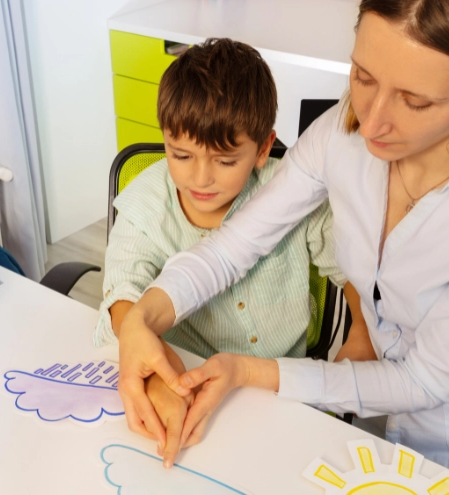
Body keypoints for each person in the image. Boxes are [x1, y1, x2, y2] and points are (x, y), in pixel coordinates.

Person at [116, 0, 449, 473]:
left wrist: (249, 370)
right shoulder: (340, 133)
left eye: (415, 101)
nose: (370, 122)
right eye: (363, 76)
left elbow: (423, 383)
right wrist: (142, 317)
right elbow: (233, 246)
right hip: (379, 421)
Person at [95, 38, 367, 461]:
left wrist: (363, 331)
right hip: (185, 379)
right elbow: (121, 292)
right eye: (181, 155)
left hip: (274, 387)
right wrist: (154, 368)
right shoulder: (145, 203)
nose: (200, 178)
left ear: (263, 149)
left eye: (224, 161)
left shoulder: (291, 192)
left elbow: (352, 270)